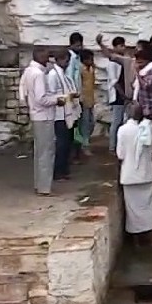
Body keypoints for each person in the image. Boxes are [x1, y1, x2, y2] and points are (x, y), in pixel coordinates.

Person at [19, 50, 65, 196]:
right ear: (40, 57)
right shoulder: (38, 74)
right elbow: (41, 98)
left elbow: (22, 92)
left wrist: (29, 105)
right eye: (46, 56)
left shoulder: (28, 71)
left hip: (36, 115)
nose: (49, 59)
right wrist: (57, 100)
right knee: (46, 152)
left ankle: (39, 184)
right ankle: (44, 187)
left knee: (40, 152)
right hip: (44, 116)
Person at [115, 102, 152, 246]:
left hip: (129, 175)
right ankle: (151, 238)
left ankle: (136, 241)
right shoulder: (148, 127)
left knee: (132, 209)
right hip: (146, 173)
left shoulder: (122, 130)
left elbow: (120, 154)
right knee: (148, 207)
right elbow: (151, 150)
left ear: (127, 114)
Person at [47, 49, 80, 182]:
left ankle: (64, 169)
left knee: (67, 143)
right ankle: (58, 171)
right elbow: (51, 94)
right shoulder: (53, 75)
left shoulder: (64, 75)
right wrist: (65, 97)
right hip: (59, 115)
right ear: (60, 60)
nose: (67, 64)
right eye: (66, 61)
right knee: (61, 144)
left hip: (67, 113)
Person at [97, 35, 133, 154]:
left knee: (124, 121)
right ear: (115, 47)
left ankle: (120, 145)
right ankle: (112, 147)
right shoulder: (113, 63)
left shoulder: (125, 60)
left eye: (124, 45)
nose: (123, 48)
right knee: (117, 121)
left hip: (125, 95)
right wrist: (123, 95)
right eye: (120, 46)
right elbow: (114, 82)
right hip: (118, 95)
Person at [132, 47, 152, 156]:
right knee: (148, 130)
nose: (138, 63)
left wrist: (137, 73)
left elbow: (147, 85)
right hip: (145, 105)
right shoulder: (144, 71)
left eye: (141, 61)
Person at [76, 49, 97, 157]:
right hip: (83, 100)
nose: (92, 61)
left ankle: (84, 142)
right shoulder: (80, 69)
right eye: (90, 59)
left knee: (92, 122)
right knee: (84, 124)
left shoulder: (91, 69)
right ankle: (85, 145)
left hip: (91, 99)